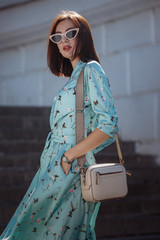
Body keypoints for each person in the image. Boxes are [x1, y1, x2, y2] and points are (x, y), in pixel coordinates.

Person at [0, 10, 118, 240]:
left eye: (70, 34)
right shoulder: (74, 77)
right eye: (57, 37)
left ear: (82, 36)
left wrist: (69, 156)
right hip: (53, 167)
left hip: (70, 167)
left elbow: (108, 125)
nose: (63, 41)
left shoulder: (91, 70)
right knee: (35, 228)